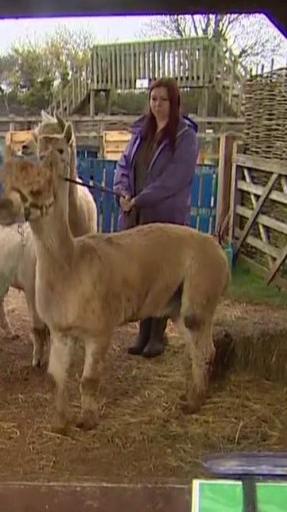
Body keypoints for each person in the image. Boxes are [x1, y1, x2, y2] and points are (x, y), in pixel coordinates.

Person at [112, 77, 200, 359]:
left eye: (163, 100)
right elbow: (123, 164)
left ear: (174, 103)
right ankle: (143, 331)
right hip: (137, 216)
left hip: (165, 218)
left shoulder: (185, 137)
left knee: (162, 276)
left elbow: (175, 178)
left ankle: (157, 335)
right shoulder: (141, 133)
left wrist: (142, 197)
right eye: (153, 99)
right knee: (140, 275)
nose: (157, 105)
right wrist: (123, 191)